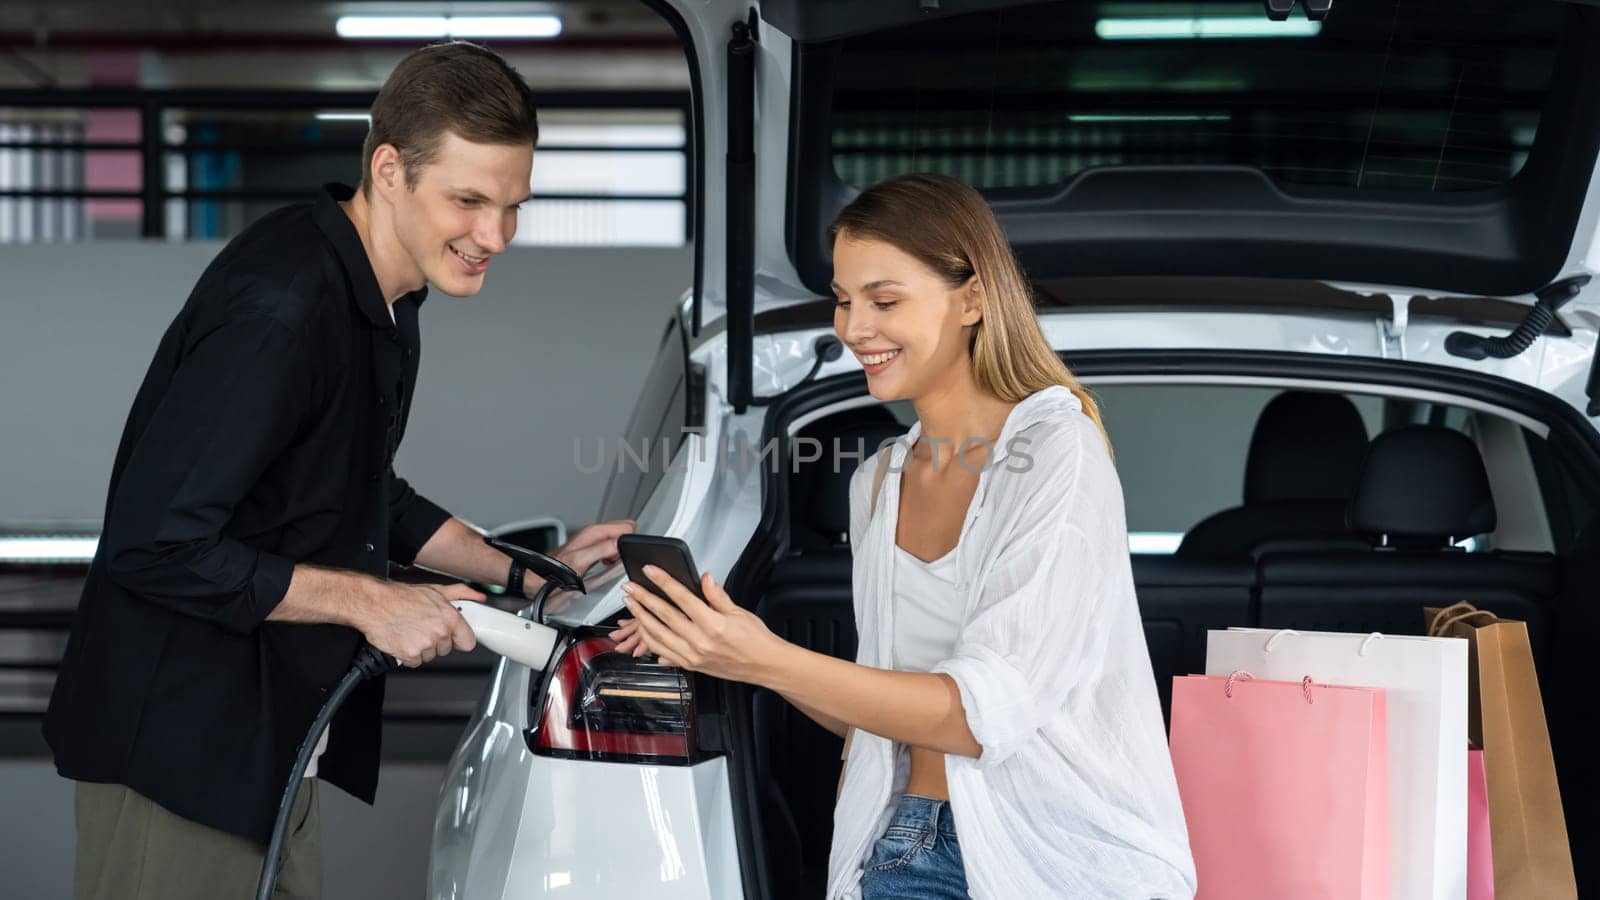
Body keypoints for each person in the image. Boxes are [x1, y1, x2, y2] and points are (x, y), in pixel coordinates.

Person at [43, 41, 633, 900]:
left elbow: (364, 488)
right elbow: (154, 544)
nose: (495, 236)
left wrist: (530, 571)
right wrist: (374, 603)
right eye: (467, 201)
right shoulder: (282, 309)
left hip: (270, 744)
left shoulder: (390, 298)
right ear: (389, 169)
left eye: (512, 205)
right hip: (174, 757)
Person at [611, 173, 1196, 899]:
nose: (854, 328)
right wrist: (735, 649)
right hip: (903, 846)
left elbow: (983, 717)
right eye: (845, 300)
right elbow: (875, 716)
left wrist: (768, 655)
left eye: (885, 301)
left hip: (1052, 859)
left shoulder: (1057, 453)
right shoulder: (879, 482)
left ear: (973, 299)